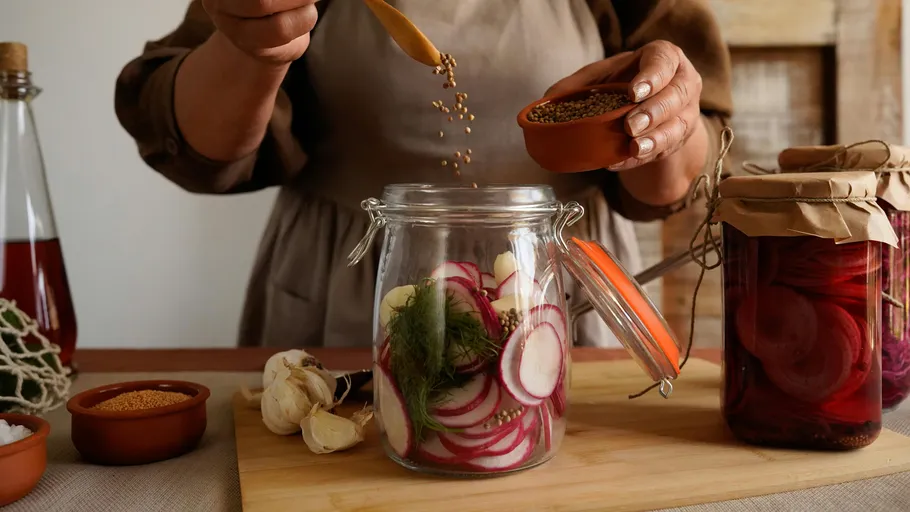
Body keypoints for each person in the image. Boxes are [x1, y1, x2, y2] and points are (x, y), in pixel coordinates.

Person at [114, 0, 733, 350]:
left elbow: (666, 188)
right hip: (356, 290)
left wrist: (661, 117)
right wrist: (251, 44)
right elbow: (198, 150)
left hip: (554, 291)